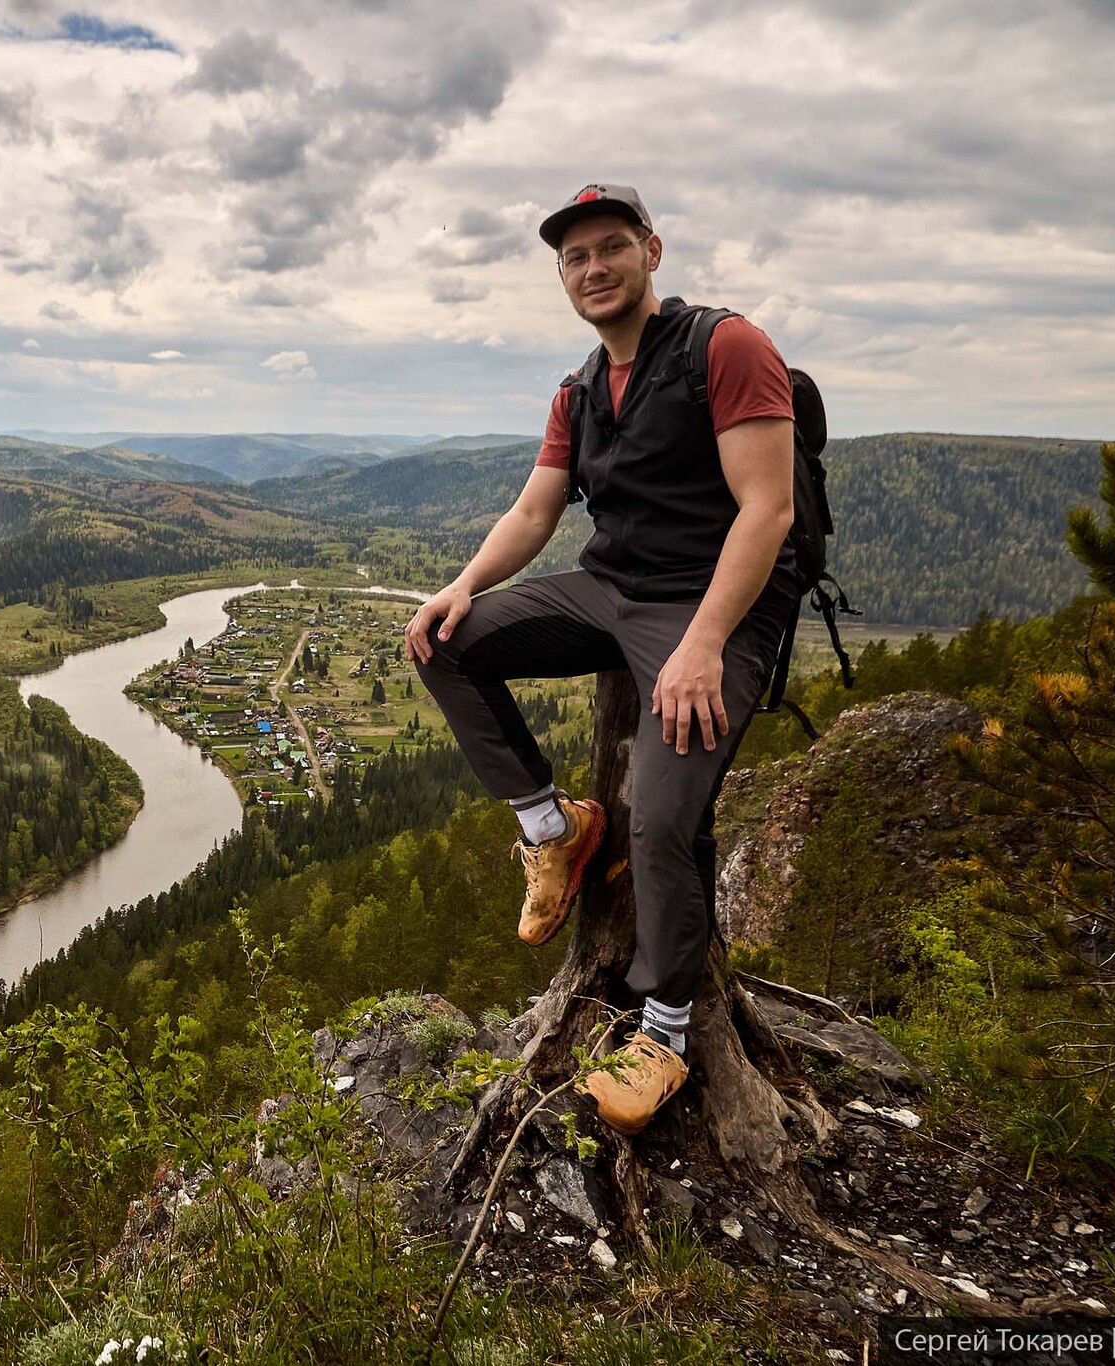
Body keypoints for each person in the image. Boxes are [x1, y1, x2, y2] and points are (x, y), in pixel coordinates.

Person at [405, 183, 798, 1135]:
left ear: (652, 252)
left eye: (611, 248)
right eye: (575, 258)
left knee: (664, 821)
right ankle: (554, 829)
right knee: (441, 644)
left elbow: (768, 508)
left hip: (713, 609)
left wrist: (705, 643)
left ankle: (664, 1030)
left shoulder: (726, 347)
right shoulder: (579, 390)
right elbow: (538, 511)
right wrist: (462, 585)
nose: (593, 269)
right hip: (610, 590)